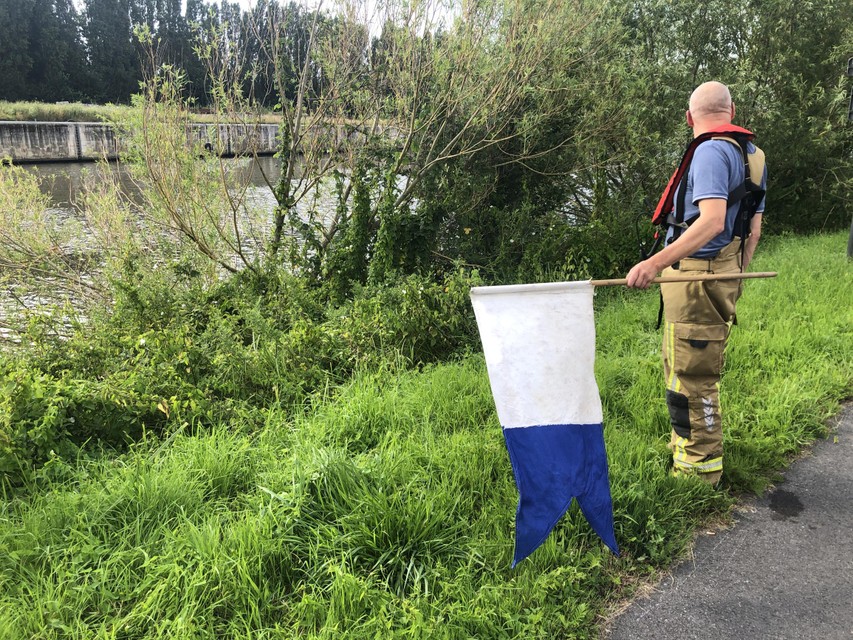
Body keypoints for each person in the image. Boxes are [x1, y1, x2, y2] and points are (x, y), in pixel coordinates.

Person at [626, 81, 767, 485]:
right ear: (732, 110)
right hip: (725, 272)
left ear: (690, 118)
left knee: (691, 374)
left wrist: (655, 263)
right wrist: (735, 275)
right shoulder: (752, 155)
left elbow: (711, 221)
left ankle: (698, 473)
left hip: (696, 277)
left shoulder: (708, 151)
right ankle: (685, 448)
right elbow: (752, 229)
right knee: (687, 366)